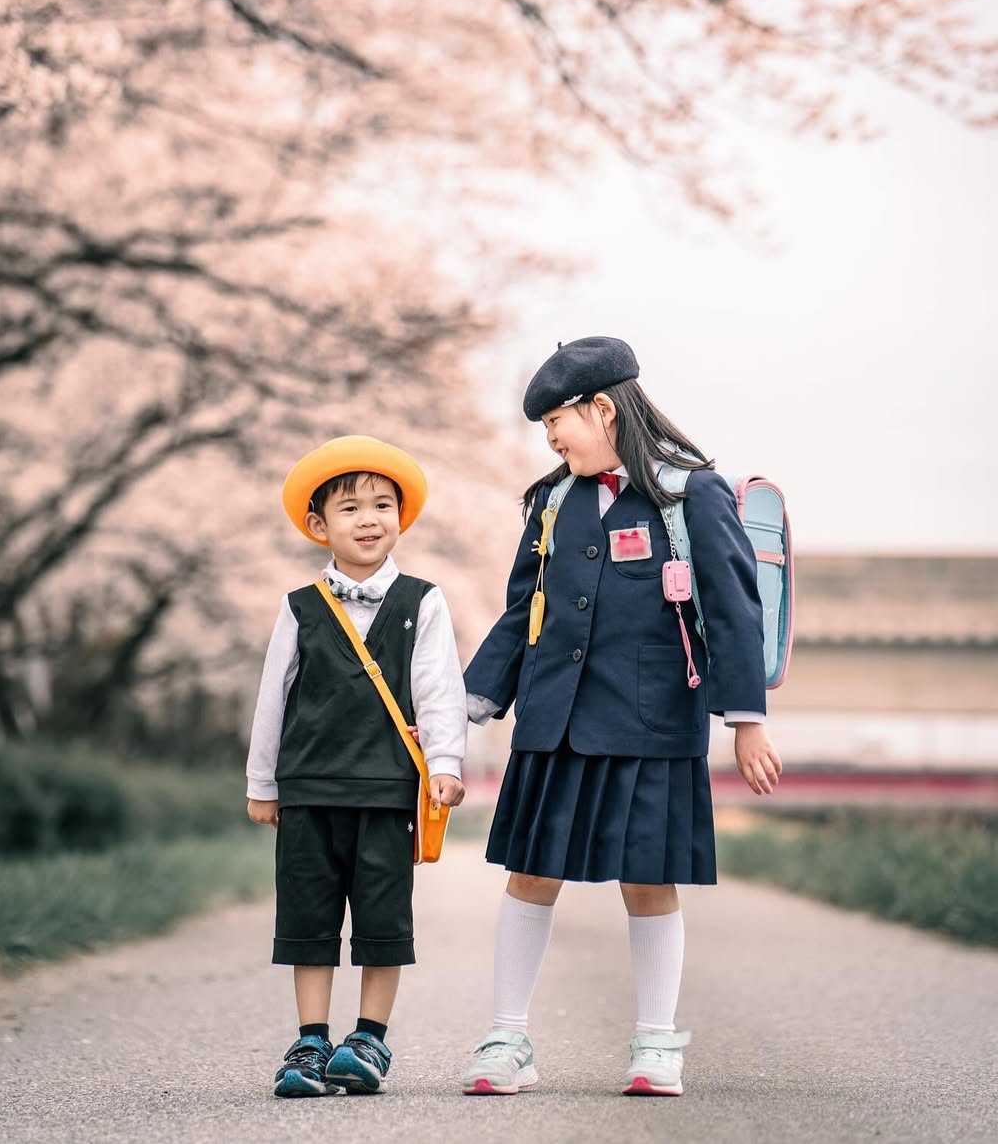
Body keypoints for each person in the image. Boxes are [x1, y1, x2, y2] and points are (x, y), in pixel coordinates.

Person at [461, 337, 782, 1098]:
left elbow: (733, 610)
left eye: (557, 423)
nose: (552, 439)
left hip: (652, 723)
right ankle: (507, 1039)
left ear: (602, 409)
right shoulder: (550, 502)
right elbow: (520, 614)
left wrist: (746, 720)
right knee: (530, 874)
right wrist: (466, 708)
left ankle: (655, 1043)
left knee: (649, 879)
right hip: (553, 722)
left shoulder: (690, 494)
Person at [246, 435, 467, 1098]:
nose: (368, 518)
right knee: (308, 922)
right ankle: (311, 1041)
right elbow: (272, 696)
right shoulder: (300, 607)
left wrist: (446, 764)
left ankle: (369, 1038)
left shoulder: (422, 602)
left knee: (382, 921)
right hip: (309, 788)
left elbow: (438, 689)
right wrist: (263, 783)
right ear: (319, 526)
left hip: (387, 793)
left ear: (401, 517)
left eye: (381, 505)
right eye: (349, 508)